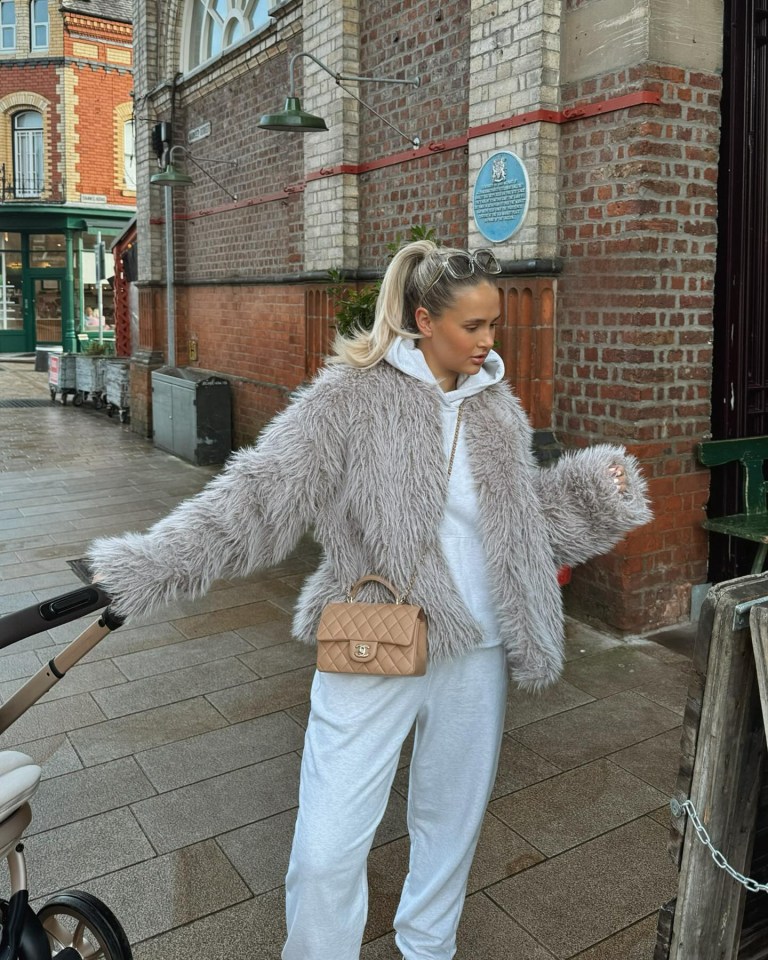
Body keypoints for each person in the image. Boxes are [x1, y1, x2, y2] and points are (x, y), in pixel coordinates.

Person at [88, 240, 652, 960]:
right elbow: (258, 496)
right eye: (472, 327)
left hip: (477, 648)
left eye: (493, 326)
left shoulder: (496, 408)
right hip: (376, 635)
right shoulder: (348, 399)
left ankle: (428, 950)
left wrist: (589, 500)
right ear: (423, 319)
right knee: (326, 846)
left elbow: (511, 525)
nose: (488, 342)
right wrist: (151, 565)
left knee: (450, 826)